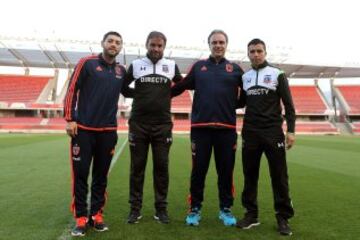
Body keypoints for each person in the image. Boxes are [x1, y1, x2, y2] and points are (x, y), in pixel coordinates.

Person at [171, 30, 244, 226]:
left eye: (221, 42)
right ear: (209, 44)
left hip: (227, 130)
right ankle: (195, 209)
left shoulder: (236, 69)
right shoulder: (199, 66)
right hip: (200, 129)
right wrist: (157, 94)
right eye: (214, 42)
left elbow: (245, 96)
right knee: (198, 171)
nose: (218, 45)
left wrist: (229, 104)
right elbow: (182, 86)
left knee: (225, 172)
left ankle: (225, 209)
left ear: (226, 44)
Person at [64, 31, 131, 237]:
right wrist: (70, 118)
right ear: (103, 43)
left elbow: (130, 91)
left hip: (108, 132)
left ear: (121, 47)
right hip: (83, 130)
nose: (114, 44)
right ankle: (81, 218)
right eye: (110, 41)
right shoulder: (87, 63)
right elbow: (72, 90)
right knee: (81, 175)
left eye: (118, 42)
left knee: (101, 177)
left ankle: (97, 215)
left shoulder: (121, 70)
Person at [236, 38, 295, 236]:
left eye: (259, 51)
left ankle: (283, 217)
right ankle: (251, 215)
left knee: (279, 176)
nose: (255, 54)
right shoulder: (246, 77)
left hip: (272, 132)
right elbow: (240, 102)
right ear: (248, 54)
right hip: (250, 133)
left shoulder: (277, 74)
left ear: (265, 52)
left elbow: (289, 105)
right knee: (249, 175)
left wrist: (291, 131)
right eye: (252, 51)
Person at [125, 31, 182, 224]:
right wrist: (141, 95)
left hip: (162, 125)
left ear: (164, 47)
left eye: (159, 46)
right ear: (146, 45)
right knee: (137, 169)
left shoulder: (172, 66)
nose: (156, 49)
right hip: (138, 124)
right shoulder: (136, 65)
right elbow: (123, 88)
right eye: (153, 45)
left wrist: (165, 94)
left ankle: (161, 209)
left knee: (161, 168)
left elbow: (180, 86)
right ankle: (135, 209)